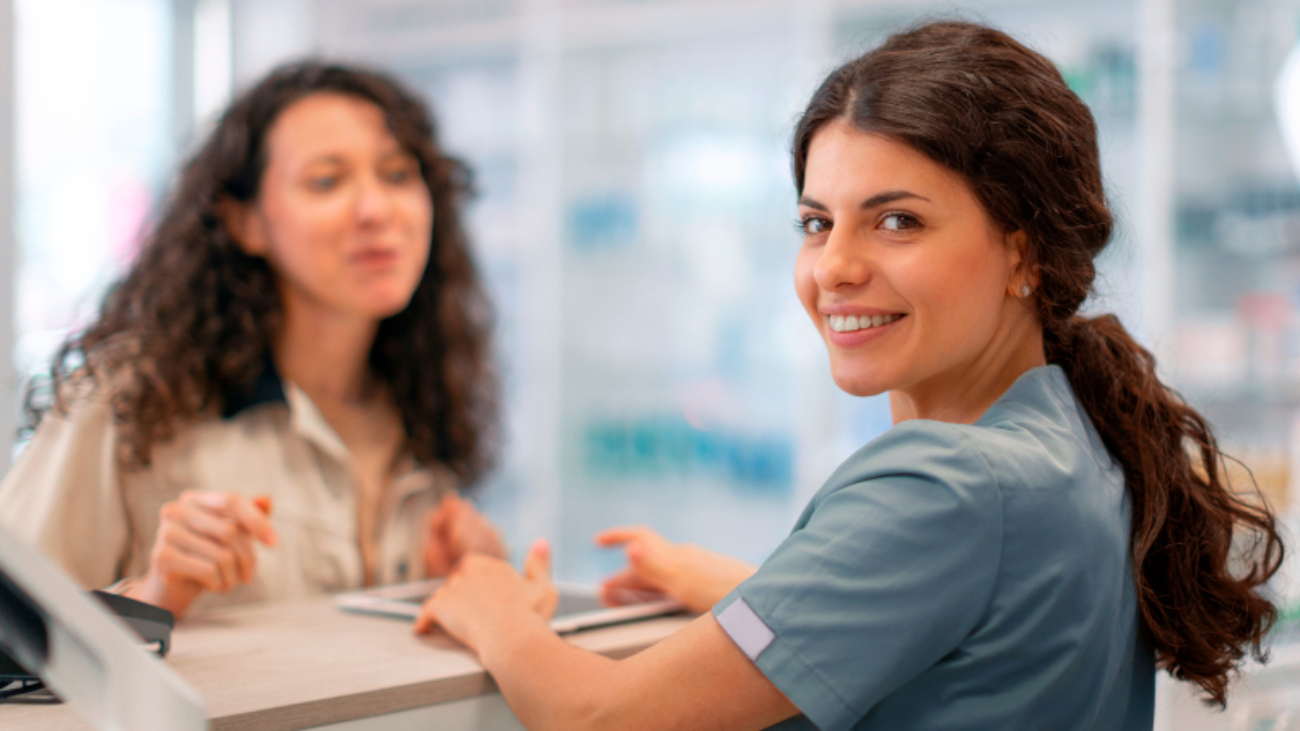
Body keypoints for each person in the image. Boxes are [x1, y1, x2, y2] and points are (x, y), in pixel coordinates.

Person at [411, 21, 1285, 730]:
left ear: (1022, 250)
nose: (834, 266)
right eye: (816, 222)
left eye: (897, 221)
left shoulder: (945, 484)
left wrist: (491, 608)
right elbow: (948, 618)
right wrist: (737, 588)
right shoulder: (1063, 436)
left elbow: (602, 717)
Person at [0, 61, 506, 619]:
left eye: (397, 175)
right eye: (327, 181)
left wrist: (462, 589)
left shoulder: (425, 403)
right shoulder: (132, 398)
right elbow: (10, 639)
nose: (376, 210)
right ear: (245, 222)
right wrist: (150, 599)